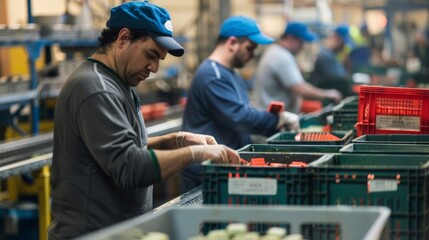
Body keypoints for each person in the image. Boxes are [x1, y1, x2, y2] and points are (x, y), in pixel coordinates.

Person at [48, 2, 239, 239]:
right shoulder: (96, 88)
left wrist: (177, 140)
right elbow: (130, 167)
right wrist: (195, 154)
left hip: (120, 231)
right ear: (124, 38)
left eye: (160, 59)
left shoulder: (118, 83)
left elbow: (122, 148)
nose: (155, 68)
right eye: (151, 55)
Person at [180, 16, 300, 193]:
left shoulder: (231, 74)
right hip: (205, 173)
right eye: (250, 48)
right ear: (232, 43)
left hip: (223, 167)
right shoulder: (212, 76)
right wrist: (277, 119)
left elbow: (243, 113)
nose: (252, 55)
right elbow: (239, 117)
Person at [252, 21, 342, 114]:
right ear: (291, 38)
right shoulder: (281, 56)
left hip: (272, 116)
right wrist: (328, 94)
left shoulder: (276, 51)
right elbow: (300, 88)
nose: (302, 46)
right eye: (301, 41)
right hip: (271, 119)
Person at [309, 25, 354, 96]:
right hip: (326, 99)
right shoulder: (326, 55)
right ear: (336, 38)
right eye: (343, 42)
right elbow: (339, 80)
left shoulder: (334, 55)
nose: (344, 46)